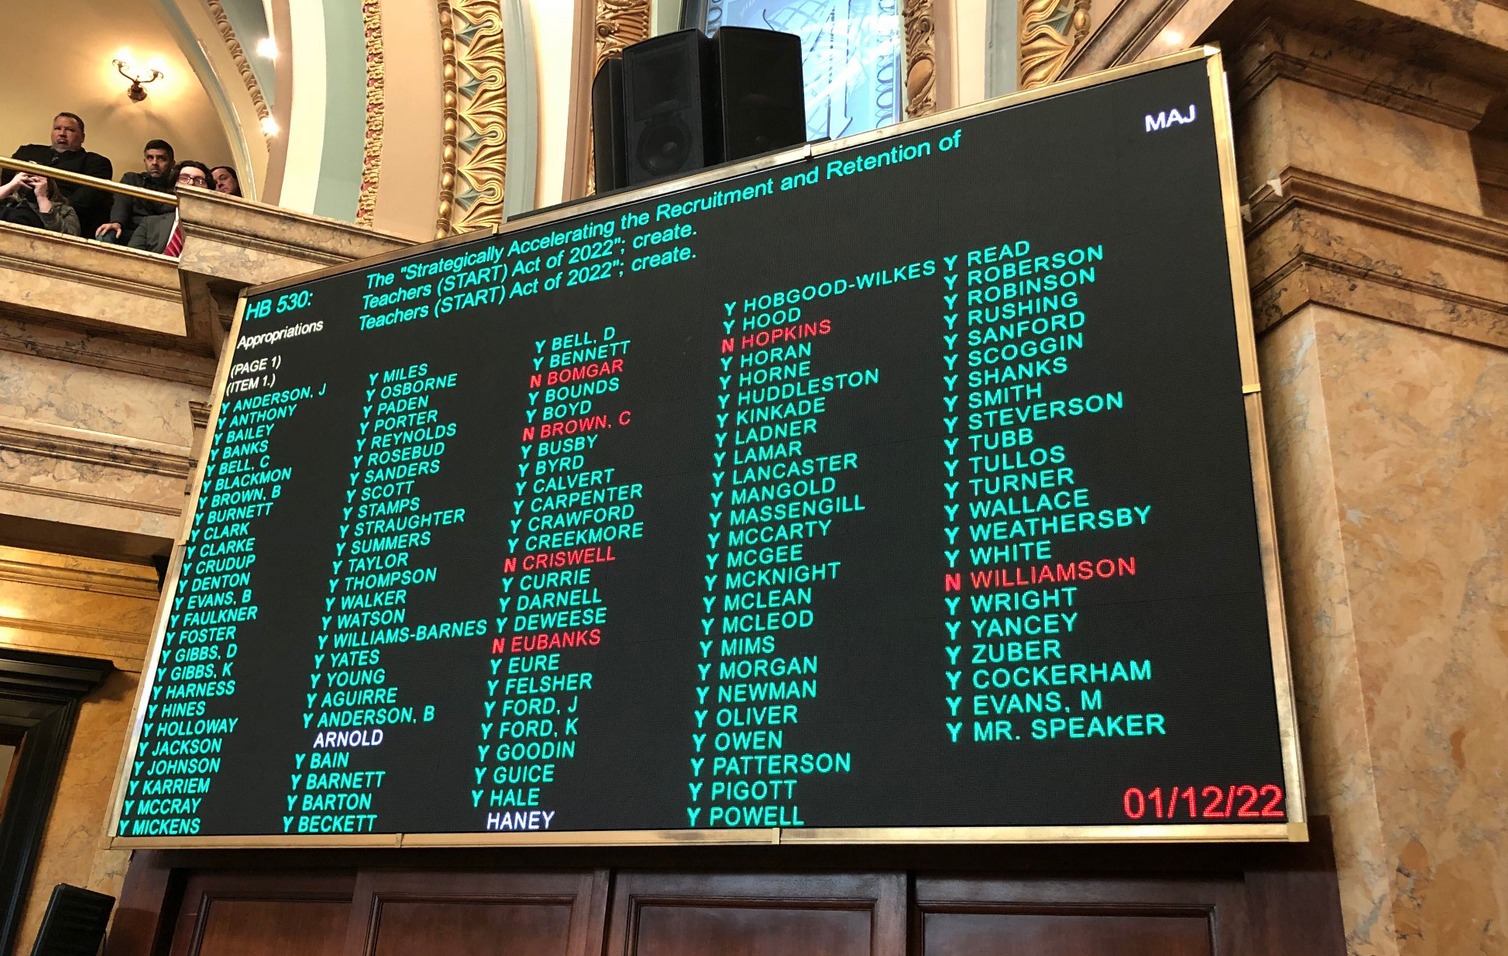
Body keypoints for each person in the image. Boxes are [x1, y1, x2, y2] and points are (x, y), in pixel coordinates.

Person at [5, 113, 113, 235]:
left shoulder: (96, 162)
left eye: (70, 130)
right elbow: (5, 180)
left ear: (82, 137)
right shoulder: (27, 151)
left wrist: (46, 203)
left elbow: (86, 199)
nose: (62, 133)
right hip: (14, 204)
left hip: (58, 216)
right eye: (57, 128)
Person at [96, 140, 176, 243]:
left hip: (160, 237)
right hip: (131, 231)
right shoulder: (132, 179)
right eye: (150, 158)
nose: (154, 163)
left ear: (172, 164)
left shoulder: (176, 188)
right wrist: (116, 222)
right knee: (106, 234)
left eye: (161, 158)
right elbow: (121, 204)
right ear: (145, 161)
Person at [128, 161, 210, 256]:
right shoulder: (150, 223)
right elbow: (130, 258)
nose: (191, 183)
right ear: (174, 187)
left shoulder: (214, 230)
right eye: (184, 178)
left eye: (199, 181)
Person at [0, 173, 80, 236]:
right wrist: (10, 185)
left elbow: (71, 238)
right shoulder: (8, 201)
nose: (32, 180)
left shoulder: (64, 210)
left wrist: (41, 197)